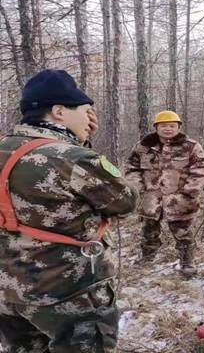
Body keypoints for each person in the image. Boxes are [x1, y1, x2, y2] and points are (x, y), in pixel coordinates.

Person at [0, 69, 139, 353]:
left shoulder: (4, 149)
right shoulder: (74, 158)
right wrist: (83, 147)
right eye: (86, 111)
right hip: (69, 294)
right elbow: (126, 202)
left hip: (8, 294)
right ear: (60, 112)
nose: (90, 120)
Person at [125, 110, 204, 278]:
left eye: (172, 126)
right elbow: (131, 167)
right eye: (163, 126)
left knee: (182, 231)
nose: (168, 129)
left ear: (178, 127)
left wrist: (190, 191)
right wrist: (138, 188)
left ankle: (187, 262)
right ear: (156, 128)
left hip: (180, 198)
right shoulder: (144, 146)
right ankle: (148, 256)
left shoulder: (190, 146)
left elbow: (201, 169)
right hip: (150, 197)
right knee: (148, 228)